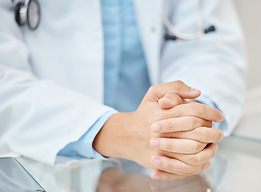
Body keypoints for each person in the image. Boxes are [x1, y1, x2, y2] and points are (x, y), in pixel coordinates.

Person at [0, 0, 246, 179]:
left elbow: (211, 45)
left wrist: (186, 118)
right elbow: (6, 81)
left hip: (162, 175)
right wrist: (120, 133)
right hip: (47, 176)